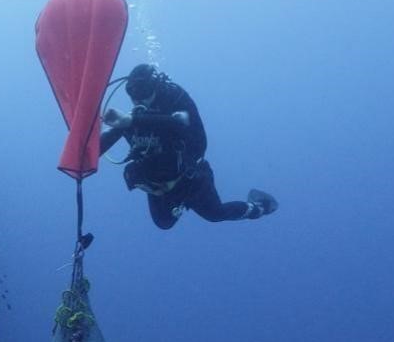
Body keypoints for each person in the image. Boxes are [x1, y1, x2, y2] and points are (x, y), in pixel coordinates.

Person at [99, 64, 278, 230]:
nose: (139, 100)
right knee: (163, 223)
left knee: (216, 214)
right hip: (160, 183)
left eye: (143, 91)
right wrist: (84, 155)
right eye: (132, 94)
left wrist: (131, 121)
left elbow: (180, 123)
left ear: (154, 86)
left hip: (192, 178)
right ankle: (178, 200)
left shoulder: (175, 97)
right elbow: (113, 134)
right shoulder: (135, 115)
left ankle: (259, 207)